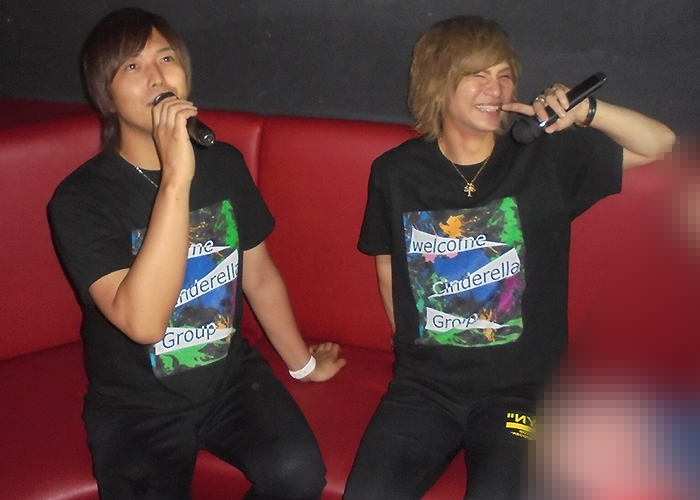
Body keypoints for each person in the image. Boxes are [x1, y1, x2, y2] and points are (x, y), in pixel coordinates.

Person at [343, 14, 675, 500]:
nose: (496, 88)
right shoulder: (396, 172)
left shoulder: (544, 159)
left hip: (522, 396)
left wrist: (585, 112)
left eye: (503, 75)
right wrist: (409, 345)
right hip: (425, 389)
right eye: (477, 74)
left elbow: (660, 144)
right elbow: (387, 262)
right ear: (438, 84)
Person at [48, 8, 345, 500]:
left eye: (166, 58)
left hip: (229, 381)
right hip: (137, 407)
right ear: (106, 94)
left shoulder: (222, 164)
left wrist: (304, 366)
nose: (157, 77)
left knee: (299, 475)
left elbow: (259, 276)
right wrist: (176, 179)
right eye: (133, 66)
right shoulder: (81, 199)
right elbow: (143, 323)